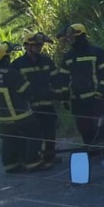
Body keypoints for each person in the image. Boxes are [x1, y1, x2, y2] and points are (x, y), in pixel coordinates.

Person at [11, 32, 63, 167]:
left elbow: (56, 80)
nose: (39, 48)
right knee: (34, 135)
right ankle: (34, 159)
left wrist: (59, 95)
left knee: (50, 131)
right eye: (36, 45)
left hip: (47, 104)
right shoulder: (17, 65)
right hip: (29, 107)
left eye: (40, 45)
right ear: (27, 46)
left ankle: (49, 156)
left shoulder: (47, 61)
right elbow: (15, 88)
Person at [59, 23, 104, 150]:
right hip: (78, 101)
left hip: (97, 99)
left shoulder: (97, 52)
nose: (70, 40)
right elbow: (63, 79)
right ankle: (91, 149)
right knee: (84, 127)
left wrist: (100, 91)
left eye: (72, 37)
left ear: (81, 36)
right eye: (69, 38)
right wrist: (64, 97)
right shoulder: (68, 57)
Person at [0, 43, 39, 173]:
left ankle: (10, 164)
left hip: (3, 118)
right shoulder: (11, 73)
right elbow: (26, 92)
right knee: (34, 133)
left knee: (9, 139)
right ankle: (33, 162)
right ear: (5, 58)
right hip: (20, 115)